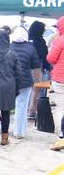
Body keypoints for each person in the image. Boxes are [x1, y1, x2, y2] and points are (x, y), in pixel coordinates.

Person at [9, 26, 40, 139]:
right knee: (21, 107)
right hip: (25, 81)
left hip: (8, 80)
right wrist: (37, 81)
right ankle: (19, 132)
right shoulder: (31, 48)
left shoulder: (8, 46)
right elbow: (36, 66)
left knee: (4, 105)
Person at [27, 21, 50, 119]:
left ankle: (26, 109)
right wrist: (48, 67)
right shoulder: (40, 40)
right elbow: (44, 55)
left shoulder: (27, 38)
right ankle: (32, 110)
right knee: (36, 89)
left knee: (27, 89)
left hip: (25, 66)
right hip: (36, 67)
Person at [47, 16, 64, 150]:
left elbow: (51, 58)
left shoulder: (59, 40)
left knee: (59, 108)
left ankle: (61, 137)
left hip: (60, 78)